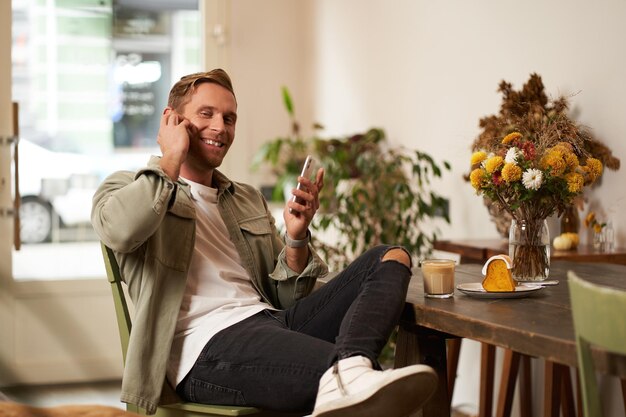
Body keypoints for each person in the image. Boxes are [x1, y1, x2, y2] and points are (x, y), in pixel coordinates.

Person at [92, 69, 437, 417]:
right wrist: (170, 158)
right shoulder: (126, 187)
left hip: (271, 321)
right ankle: (349, 371)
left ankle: (351, 366)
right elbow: (120, 231)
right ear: (173, 120)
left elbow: (287, 297)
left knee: (390, 257)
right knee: (362, 385)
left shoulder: (244, 198)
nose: (220, 127)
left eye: (229, 118)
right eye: (206, 114)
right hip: (203, 349)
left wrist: (296, 236)